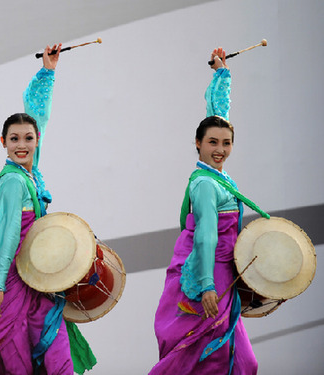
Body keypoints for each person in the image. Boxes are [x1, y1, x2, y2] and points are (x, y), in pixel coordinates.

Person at [0, 44, 89, 375]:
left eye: (28, 138)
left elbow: (37, 116)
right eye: (14, 139)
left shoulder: (29, 173)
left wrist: (47, 72)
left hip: (35, 278)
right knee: (17, 361)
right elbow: (9, 235)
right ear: (3, 143)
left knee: (55, 355)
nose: (22, 144)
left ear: (36, 140)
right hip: (10, 279)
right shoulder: (13, 182)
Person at [149, 48, 269, 374]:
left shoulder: (217, 176)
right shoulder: (205, 185)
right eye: (213, 143)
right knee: (214, 361)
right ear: (198, 144)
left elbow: (217, 117)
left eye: (226, 143)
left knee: (240, 363)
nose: (220, 149)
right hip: (209, 275)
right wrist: (206, 286)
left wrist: (221, 74)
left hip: (221, 274)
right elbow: (204, 237)